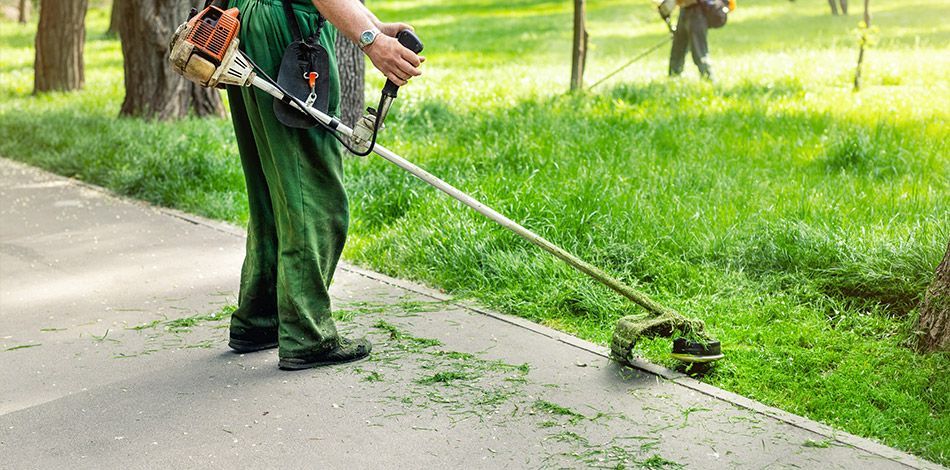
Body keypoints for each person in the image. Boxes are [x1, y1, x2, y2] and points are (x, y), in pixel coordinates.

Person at [224, 0, 424, 370]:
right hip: (288, 32)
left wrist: (373, 24)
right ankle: (306, 335)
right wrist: (370, 40)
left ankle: (261, 319)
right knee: (312, 192)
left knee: (274, 188)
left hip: (250, 22)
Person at [668, 0, 712, 80]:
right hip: (684, 10)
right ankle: (673, 78)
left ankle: (708, 79)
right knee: (677, 50)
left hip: (697, 11)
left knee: (699, 52)